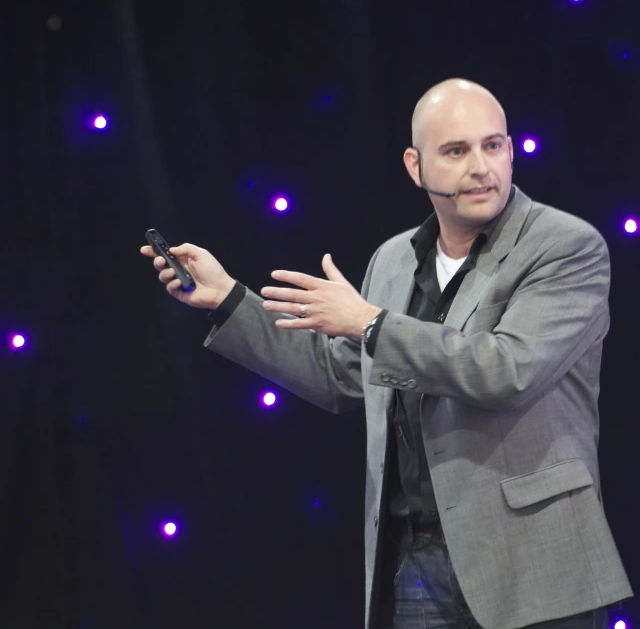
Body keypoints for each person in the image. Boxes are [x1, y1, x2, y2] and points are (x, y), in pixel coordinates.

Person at [141, 79, 633, 629]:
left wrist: (370, 323)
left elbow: (507, 370)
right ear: (415, 166)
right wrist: (229, 298)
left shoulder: (565, 246)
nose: (481, 166)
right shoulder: (394, 260)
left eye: (494, 145)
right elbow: (340, 375)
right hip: (418, 559)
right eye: (456, 150)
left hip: (534, 561)